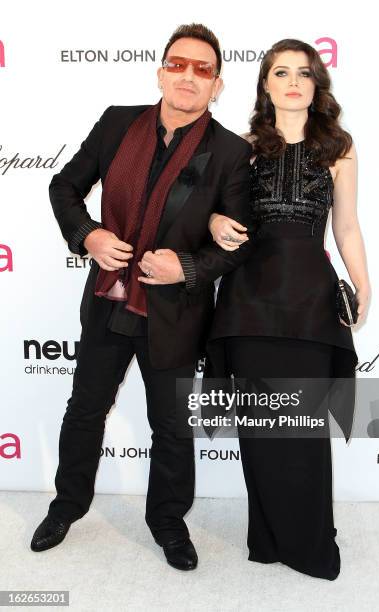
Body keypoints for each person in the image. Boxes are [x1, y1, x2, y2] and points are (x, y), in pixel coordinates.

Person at [30, 23, 255, 571]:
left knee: (173, 428)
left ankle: (168, 522)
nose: (189, 76)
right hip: (109, 297)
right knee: (85, 409)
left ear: (217, 86)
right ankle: (67, 505)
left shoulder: (229, 152)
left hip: (175, 314)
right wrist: (89, 235)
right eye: (179, 64)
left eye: (204, 70)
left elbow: (237, 244)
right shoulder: (116, 123)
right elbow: (63, 186)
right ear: (161, 72)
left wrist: (188, 265)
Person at [205, 38, 371, 580]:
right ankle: (269, 539)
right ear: (266, 84)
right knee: (260, 429)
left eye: (304, 72)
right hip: (249, 296)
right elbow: (213, 216)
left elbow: (345, 226)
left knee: (301, 428)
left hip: (309, 299)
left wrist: (362, 283)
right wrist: (212, 224)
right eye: (282, 72)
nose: (294, 81)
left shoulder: (339, 147)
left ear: (316, 83)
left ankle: (310, 542)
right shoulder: (242, 145)